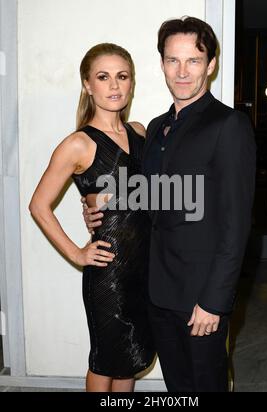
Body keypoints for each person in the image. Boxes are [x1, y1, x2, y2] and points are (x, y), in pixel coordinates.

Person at [83, 17, 256, 392]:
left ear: (210, 65)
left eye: (193, 61)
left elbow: (236, 224)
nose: (181, 71)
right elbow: (152, 197)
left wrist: (215, 300)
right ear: (161, 64)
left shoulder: (229, 125)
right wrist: (99, 203)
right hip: (156, 290)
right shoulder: (157, 127)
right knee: (178, 388)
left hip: (201, 297)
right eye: (172, 60)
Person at [29, 43, 155, 392]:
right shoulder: (78, 145)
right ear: (87, 84)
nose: (114, 86)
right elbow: (39, 205)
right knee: (105, 361)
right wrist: (76, 253)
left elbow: (150, 197)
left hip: (143, 269)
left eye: (122, 76)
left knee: (130, 359)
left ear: (131, 83)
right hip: (108, 275)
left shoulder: (141, 133)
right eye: (103, 77)